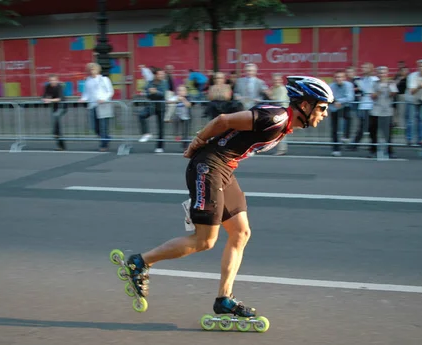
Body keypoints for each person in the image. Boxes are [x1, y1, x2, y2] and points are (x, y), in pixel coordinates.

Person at [123, 76, 334, 317]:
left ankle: (224, 299)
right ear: (305, 106)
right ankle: (140, 262)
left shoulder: (283, 124)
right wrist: (197, 142)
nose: (325, 113)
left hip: (223, 169)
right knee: (205, 240)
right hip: (208, 167)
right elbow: (223, 120)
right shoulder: (275, 119)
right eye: (322, 108)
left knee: (241, 232)